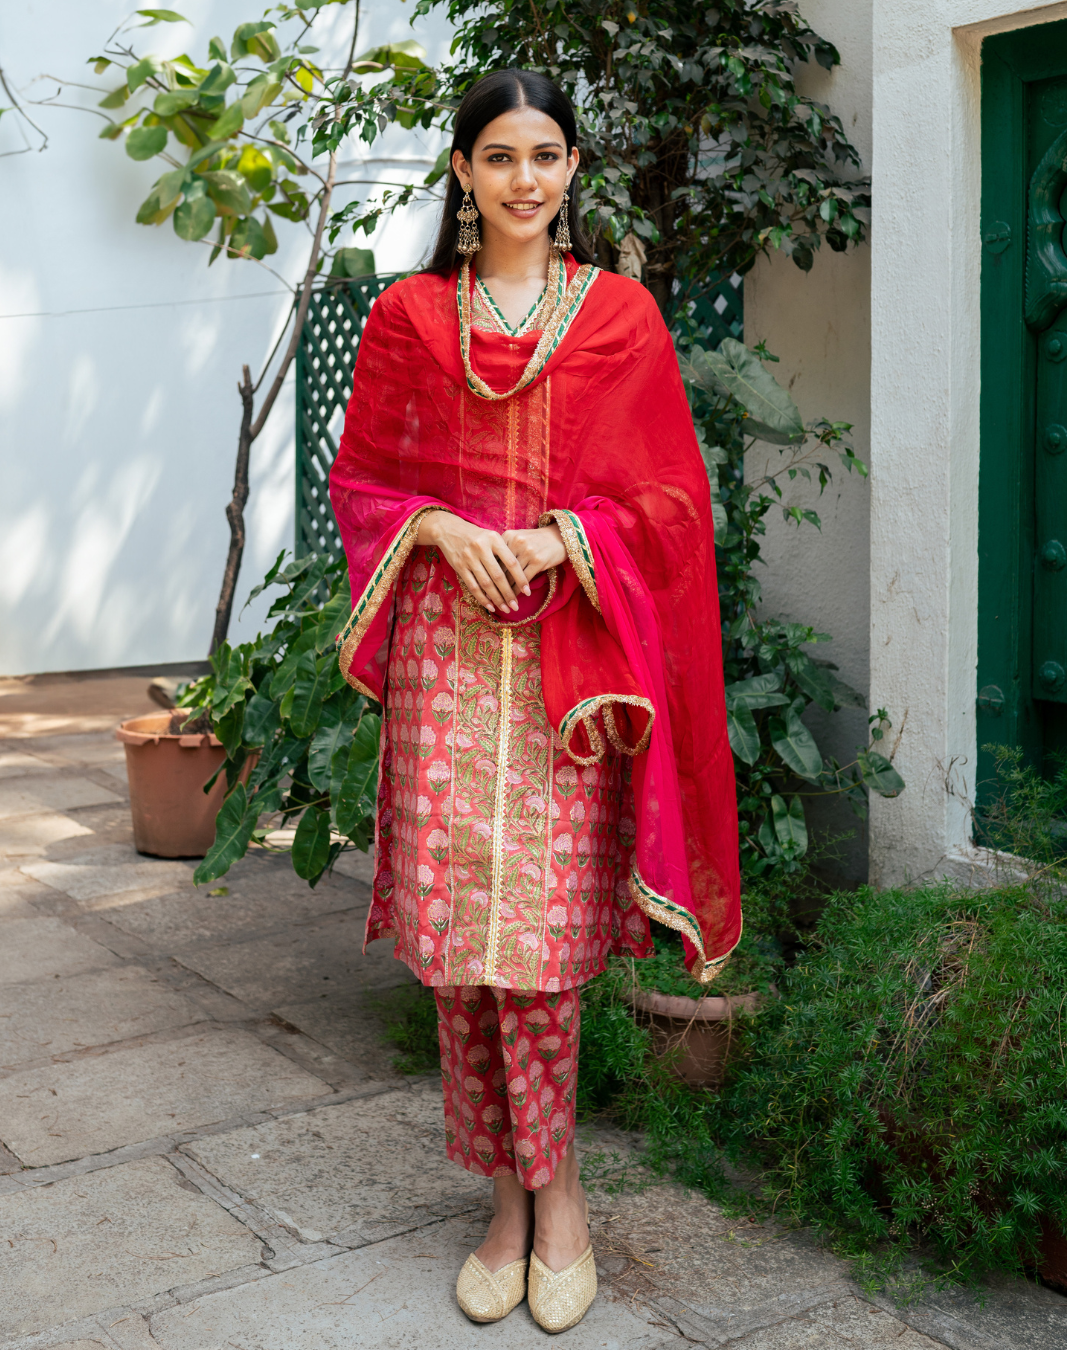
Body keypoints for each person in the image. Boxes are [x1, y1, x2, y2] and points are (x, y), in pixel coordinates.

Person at [329, 67, 740, 1334]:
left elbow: (670, 503)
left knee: (547, 947)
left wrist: (569, 542)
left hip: (568, 662)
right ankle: (501, 1199)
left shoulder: (619, 317)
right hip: (447, 656)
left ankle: (557, 1197)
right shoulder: (410, 320)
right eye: (499, 156)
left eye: (546, 155)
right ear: (463, 173)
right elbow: (363, 486)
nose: (524, 179)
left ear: (574, 170)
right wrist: (445, 530)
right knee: (462, 947)